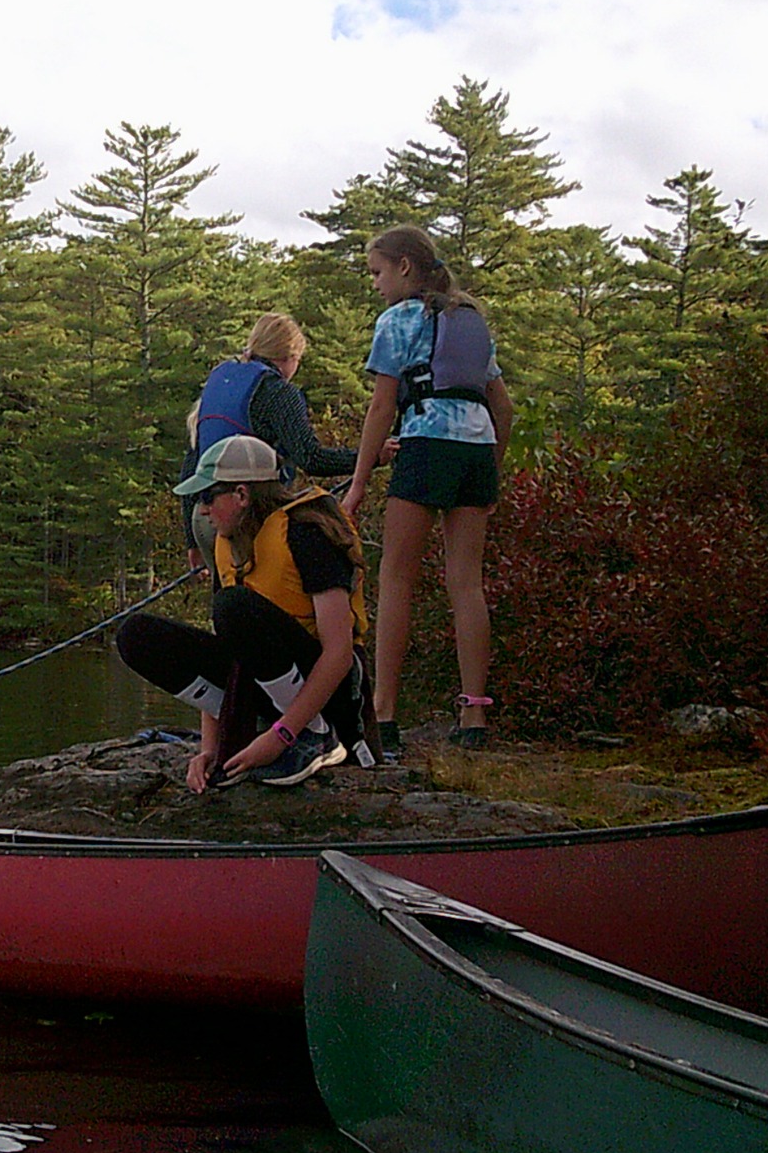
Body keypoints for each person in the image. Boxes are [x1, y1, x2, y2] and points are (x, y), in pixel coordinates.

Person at [342, 226, 514, 757]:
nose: (375, 284)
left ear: (405, 269)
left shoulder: (398, 320)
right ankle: (474, 714)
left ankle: (383, 711)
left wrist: (358, 483)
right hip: (475, 455)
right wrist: (492, 470)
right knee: (466, 584)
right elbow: (503, 407)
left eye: (377, 272)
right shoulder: (470, 320)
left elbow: (381, 408)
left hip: (426, 447)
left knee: (396, 577)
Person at [119, 434, 371, 789]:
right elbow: (232, 648)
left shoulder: (306, 533)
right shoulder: (229, 545)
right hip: (268, 694)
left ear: (241, 495)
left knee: (233, 608)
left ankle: (316, 737)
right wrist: (211, 748)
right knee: (136, 635)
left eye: (208, 497)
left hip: (331, 697)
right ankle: (253, 728)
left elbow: (340, 653)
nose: (203, 509)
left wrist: (283, 734)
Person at [182, 311, 362, 571]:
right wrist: (369, 458)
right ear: (289, 356)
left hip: (205, 517)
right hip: (249, 520)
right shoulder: (278, 392)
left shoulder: (220, 382)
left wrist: (192, 539)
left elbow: (192, 464)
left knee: (228, 605)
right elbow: (311, 459)